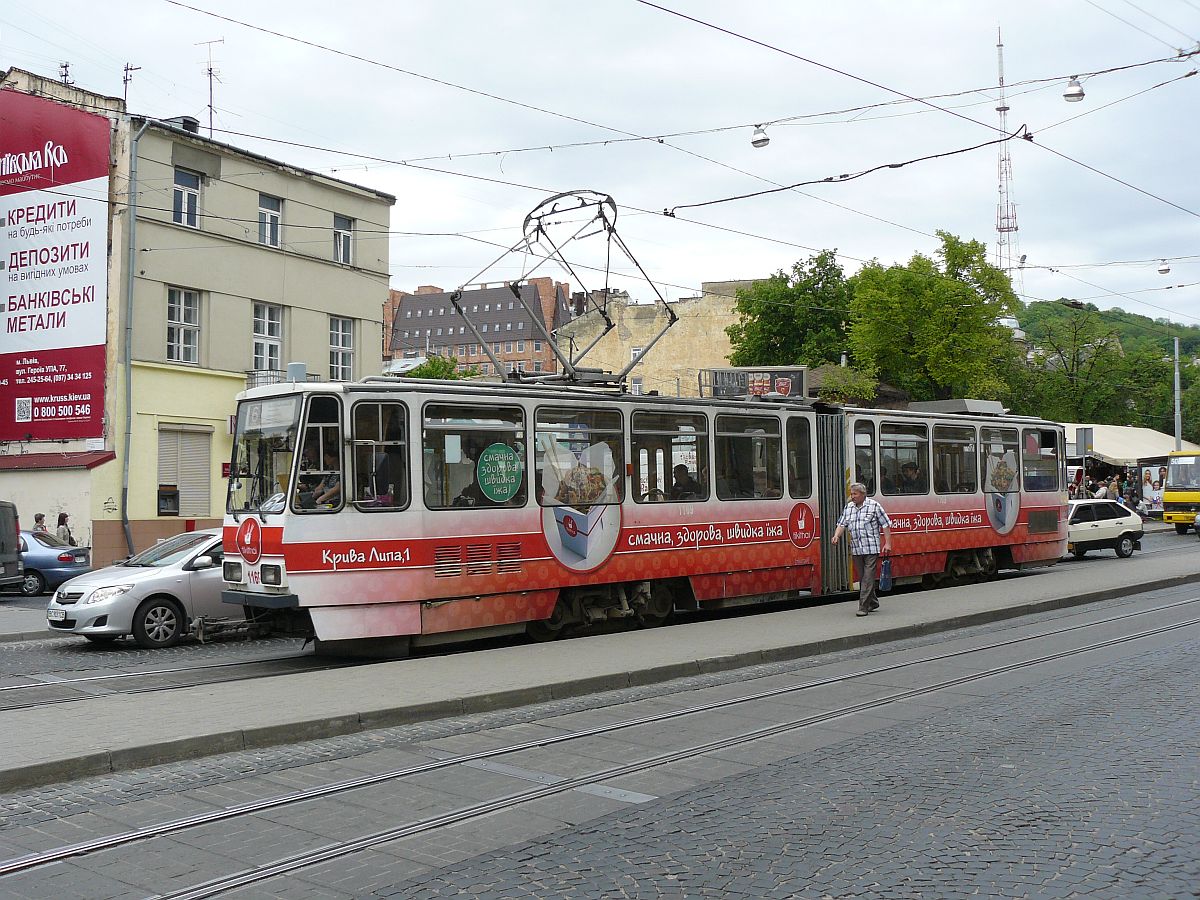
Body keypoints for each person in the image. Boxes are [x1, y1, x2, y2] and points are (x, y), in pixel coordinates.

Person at [831, 482, 893, 617]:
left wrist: (888, 543)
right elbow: (842, 524)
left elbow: (886, 524)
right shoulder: (849, 508)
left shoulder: (874, 506)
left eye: (855, 494)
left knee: (867, 577)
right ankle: (873, 602)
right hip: (856, 549)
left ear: (863, 494)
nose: (852, 496)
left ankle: (863, 607)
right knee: (862, 577)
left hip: (871, 548)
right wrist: (836, 535)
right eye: (851, 494)